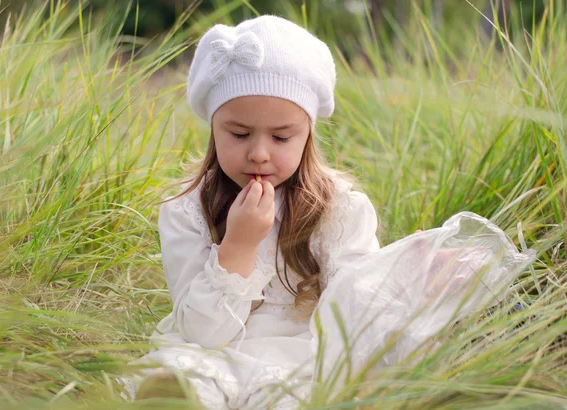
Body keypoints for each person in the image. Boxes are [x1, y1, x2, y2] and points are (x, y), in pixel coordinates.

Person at [119, 15, 535, 409]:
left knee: (295, 393)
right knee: (190, 372)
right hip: (214, 348)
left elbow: (356, 303)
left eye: (281, 137)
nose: (259, 153)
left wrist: (410, 276)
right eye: (239, 133)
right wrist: (239, 246)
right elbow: (201, 333)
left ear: (308, 135)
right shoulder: (186, 210)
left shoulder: (340, 208)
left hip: (306, 351)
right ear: (213, 126)